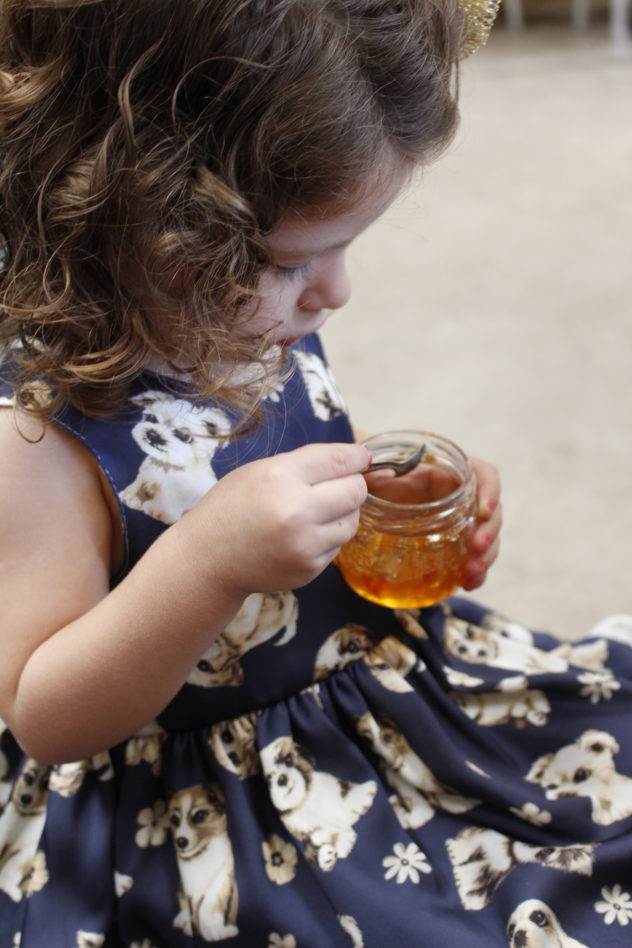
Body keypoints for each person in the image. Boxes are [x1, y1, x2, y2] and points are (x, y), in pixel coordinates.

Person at [0, 1, 630, 945]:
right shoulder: (40, 438)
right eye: (293, 260)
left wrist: (384, 477)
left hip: (368, 690)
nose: (337, 293)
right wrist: (208, 562)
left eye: (347, 246)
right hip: (213, 795)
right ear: (131, 214)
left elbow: (280, 438)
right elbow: (41, 710)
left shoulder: (233, 310)